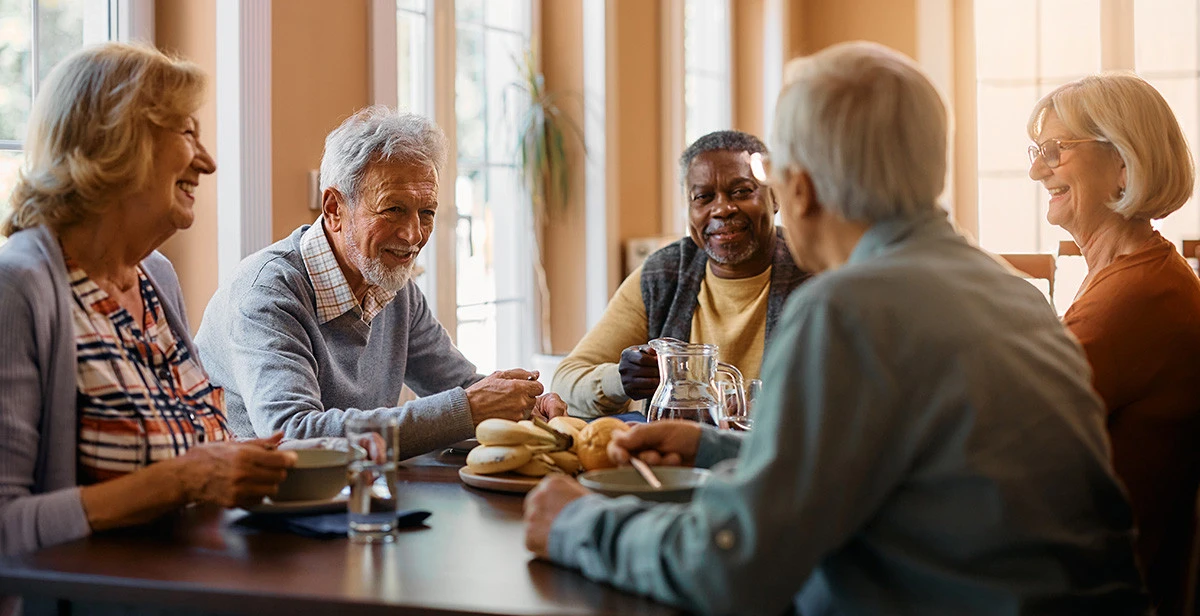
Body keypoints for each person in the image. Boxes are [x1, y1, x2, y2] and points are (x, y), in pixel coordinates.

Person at [524, 41, 1150, 615]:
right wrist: (712, 447)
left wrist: (579, 525)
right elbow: (909, 472)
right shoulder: (1016, 296)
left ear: (795, 191)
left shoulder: (844, 311)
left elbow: (732, 566)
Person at [0, 43, 296, 556]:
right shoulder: (19, 288)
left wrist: (238, 465)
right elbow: (7, 526)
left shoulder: (156, 276)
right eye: (187, 133)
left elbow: (190, 456)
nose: (208, 161)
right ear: (118, 141)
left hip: (190, 582)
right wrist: (185, 480)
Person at [195, 106, 564, 460]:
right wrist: (468, 408)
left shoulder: (393, 287)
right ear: (334, 209)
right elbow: (295, 434)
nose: (413, 235)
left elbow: (461, 387)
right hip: (250, 511)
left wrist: (524, 402)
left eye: (427, 213)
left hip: (354, 496)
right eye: (393, 209)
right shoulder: (267, 295)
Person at [1027, 74, 1200, 615]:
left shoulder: (1137, 292)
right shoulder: (1129, 273)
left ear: (1123, 163)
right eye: (1038, 151)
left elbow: (1011, 431)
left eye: (1056, 150)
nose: (1037, 169)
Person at [551, 130, 810, 418]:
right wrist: (620, 381)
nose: (722, 209)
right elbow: (565, 383)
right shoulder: (664, 274)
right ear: (689, 210)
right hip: (674, 459)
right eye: (703, 197)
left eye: (741, 191)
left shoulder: (814, 270)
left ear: (774, 198)